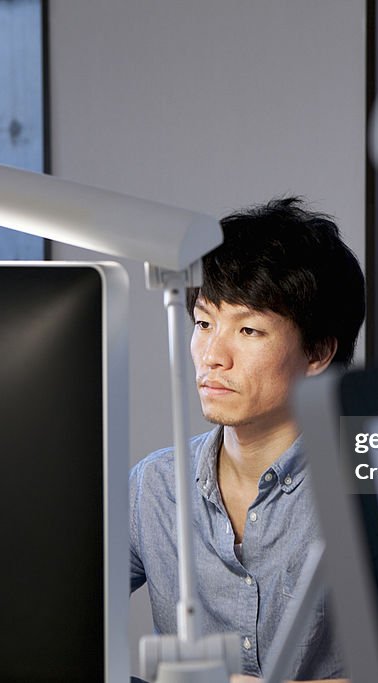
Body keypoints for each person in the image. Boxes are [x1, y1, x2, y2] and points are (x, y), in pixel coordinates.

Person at [129, 197, 365, 682]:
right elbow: (55, 610)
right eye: (203, 322)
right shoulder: (154, 485)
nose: (213, 355)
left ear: (318, 350)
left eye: (249, 329)